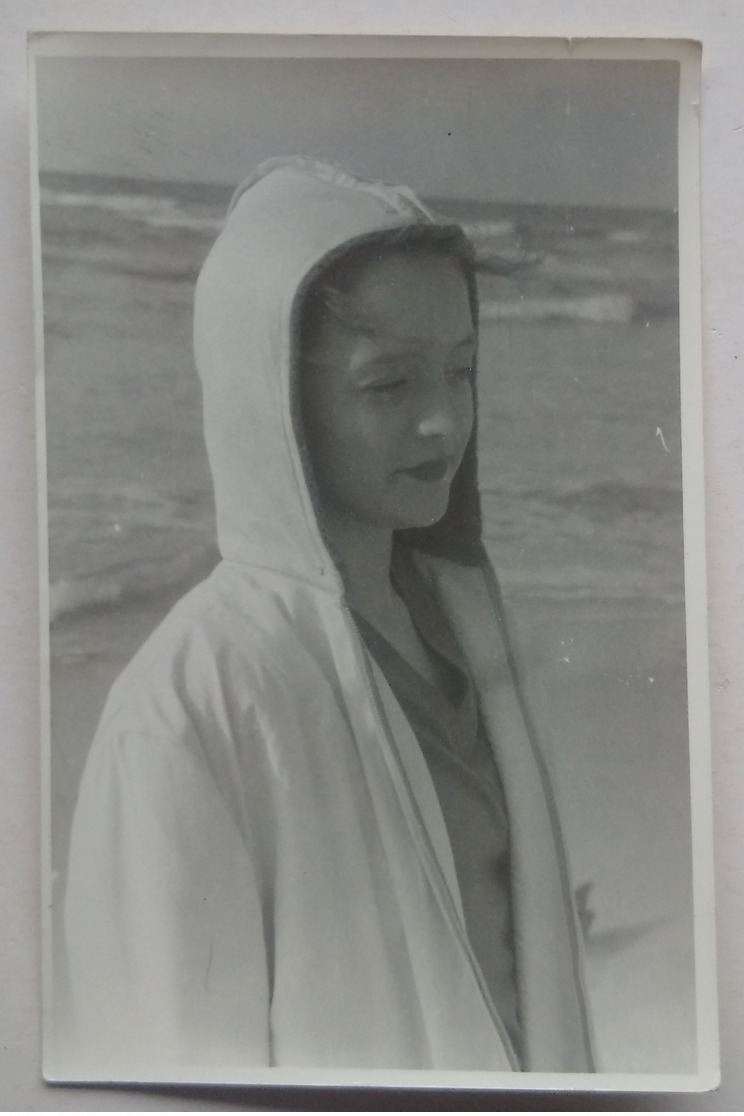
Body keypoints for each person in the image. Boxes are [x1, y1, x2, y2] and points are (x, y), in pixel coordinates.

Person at [64, 156, 596, 1076]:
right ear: (271, 400)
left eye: (460, 371)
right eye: (389, 385)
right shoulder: (186, 710)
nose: (442, 423)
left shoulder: (468, 630)